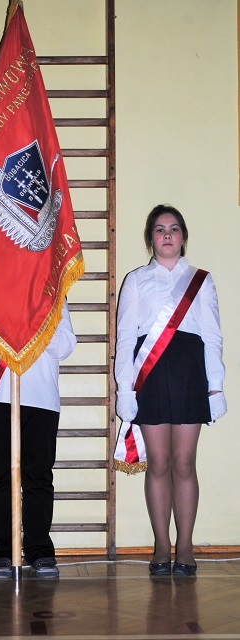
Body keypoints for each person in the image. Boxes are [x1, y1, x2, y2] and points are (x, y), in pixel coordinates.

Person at [115, 204, 226, 577]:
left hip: (189, 372)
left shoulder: (201, 280)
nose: (167, 235)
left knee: (184, 463)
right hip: (150, 375)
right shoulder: (135, 281)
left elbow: (213, 337)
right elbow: (125, 338)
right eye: (160, 229)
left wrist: (216, 387)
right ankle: (162, 544)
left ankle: (186, 545)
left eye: (174, 229)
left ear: (183, 237)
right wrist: (125, 389)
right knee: (159, 463)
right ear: (151, 238)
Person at [0, 299, 76, 579]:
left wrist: (33, 325)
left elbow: (65, 346)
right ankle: (2, 552)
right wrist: (0, 329)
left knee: (39, 477)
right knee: (0, 477)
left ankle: (39, 551)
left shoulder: (52, 292)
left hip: (41, 397)